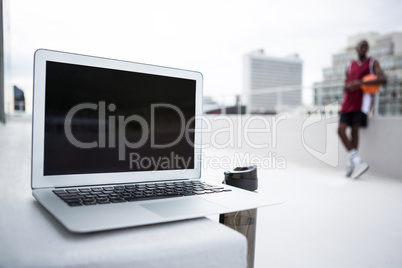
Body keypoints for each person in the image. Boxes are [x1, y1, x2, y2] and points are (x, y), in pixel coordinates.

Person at [338, 40, 386, 179]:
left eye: (365, 45)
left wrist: (361, 83)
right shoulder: (350, 64)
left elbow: (382, 78)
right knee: (340, 130)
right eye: (361, 45)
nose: (363, 47)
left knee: (354, 131)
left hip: (362, 102)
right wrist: (348, 86)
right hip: (348, 102)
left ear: (368, 49)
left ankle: (352, 163)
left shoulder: (372, 62)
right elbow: (345, 83)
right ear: (356, 48)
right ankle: (357, 161)